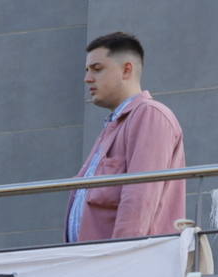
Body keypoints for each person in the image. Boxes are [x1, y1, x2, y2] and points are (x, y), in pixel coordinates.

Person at [66, 32, 186, 243]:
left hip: (122, 265)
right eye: (87, 70)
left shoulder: (149, 114)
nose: (87, 79)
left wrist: (122, 256)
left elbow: (140, 198)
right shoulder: (113, 126)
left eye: (97, 69)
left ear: (126, 69)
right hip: (92, 263)